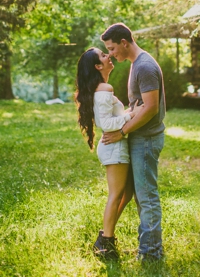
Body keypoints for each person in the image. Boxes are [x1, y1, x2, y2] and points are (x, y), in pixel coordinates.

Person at [100, 23, 166, 262]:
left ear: (124, 43)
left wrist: (122, 132)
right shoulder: (137, 64)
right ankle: (145, 248)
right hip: (140, 137)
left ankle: (151, 254)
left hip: (146, 139)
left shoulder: (144, 66)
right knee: (139, 195)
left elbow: (150, 108)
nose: (111, 54)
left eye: (112, 48)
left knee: (147, 197)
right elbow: (138, 106)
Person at [74, 47, 137, 260]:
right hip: (114, 146)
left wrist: (130, 111)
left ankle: (104, 237)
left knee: (126, 193)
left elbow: (111, 116)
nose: (108, 56)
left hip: (114, 146)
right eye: (103, 55)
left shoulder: (101, 88)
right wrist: (131, 117)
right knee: (116, 195)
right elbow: (106, 123)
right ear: (98, 66)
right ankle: (105, 244)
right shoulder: (104, 88)